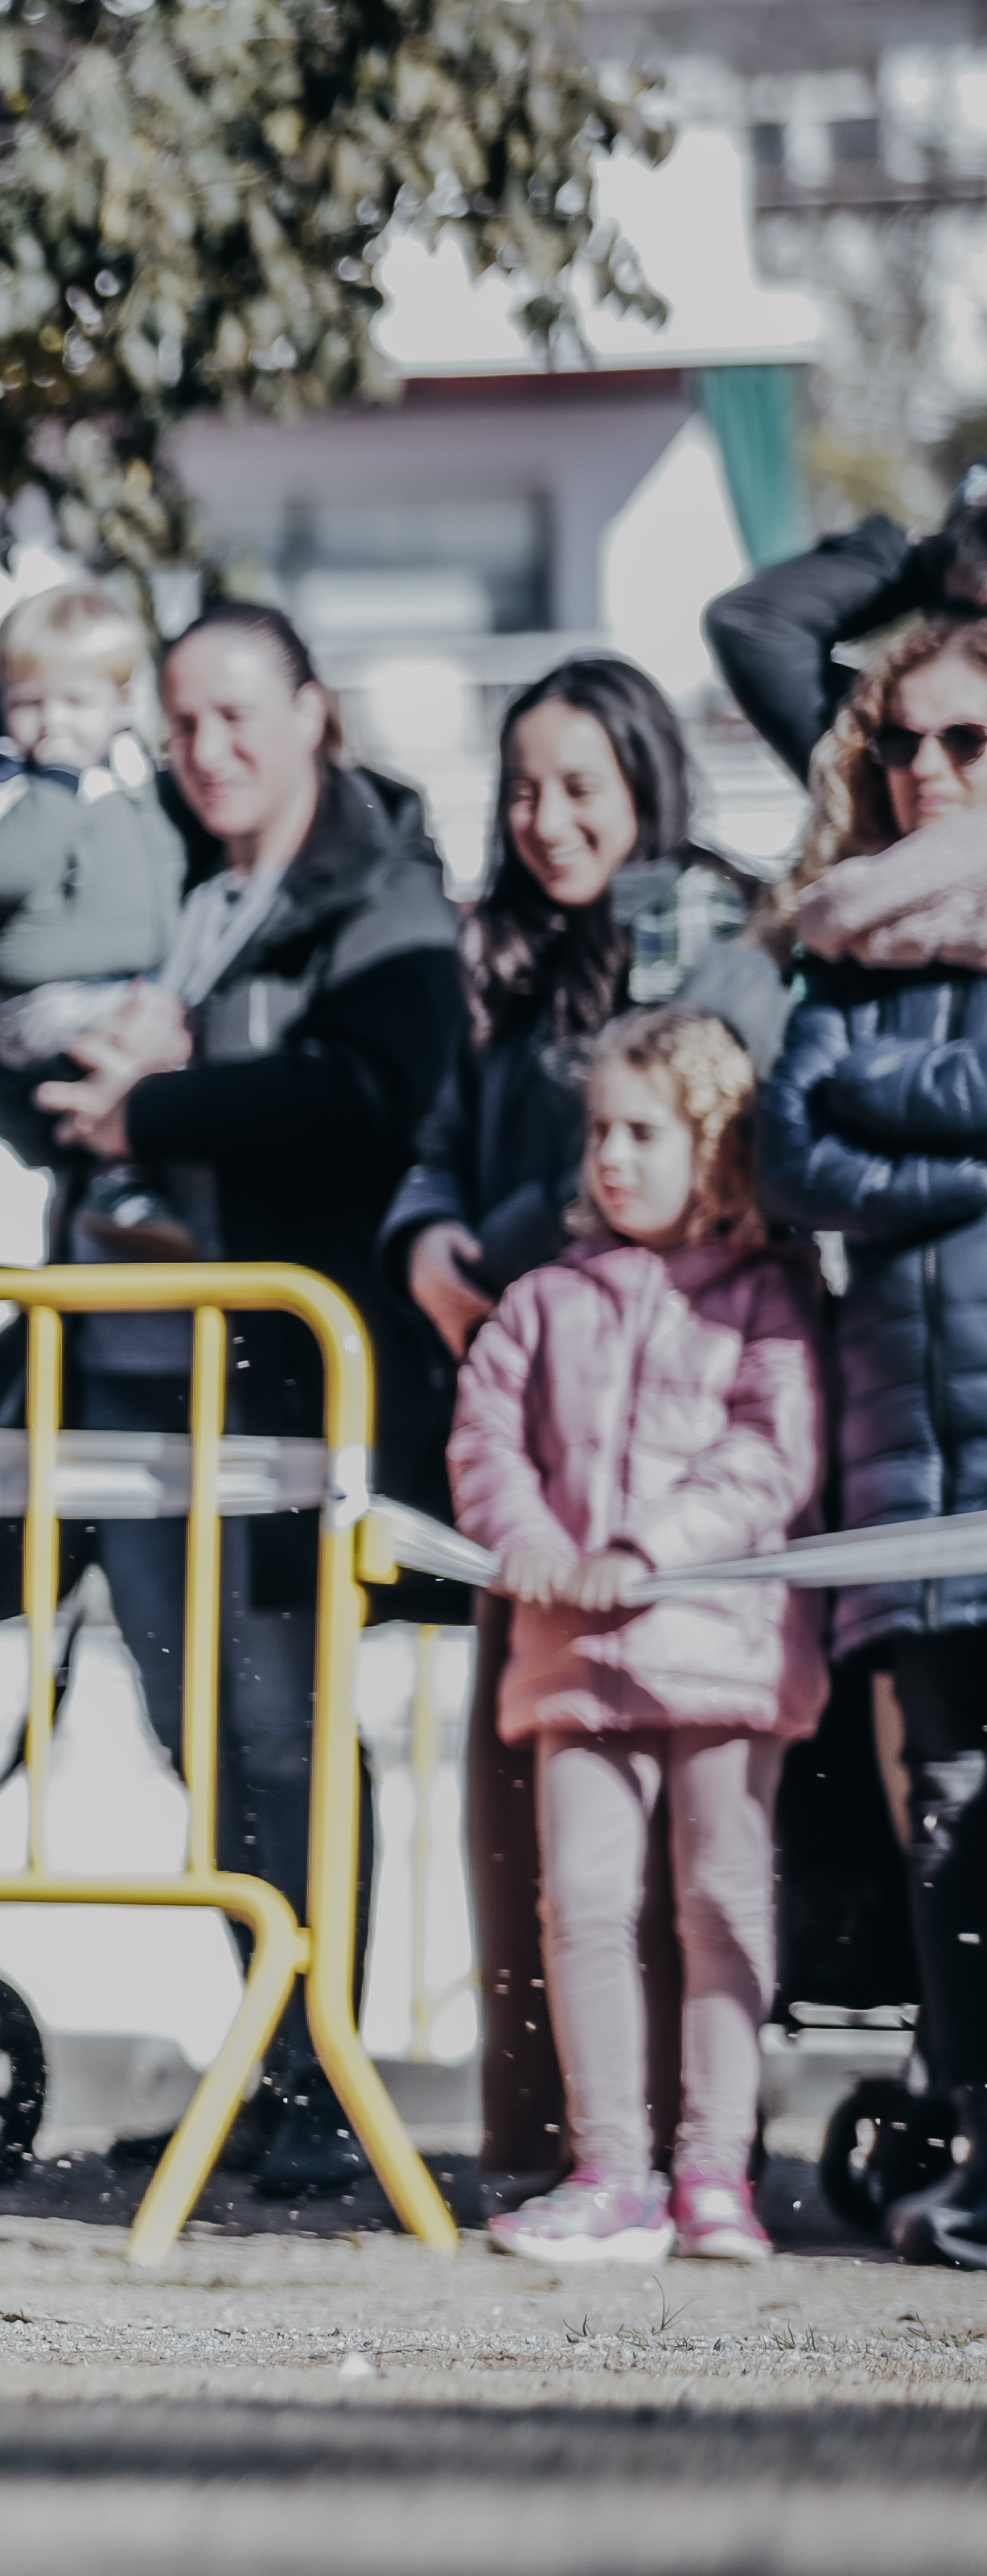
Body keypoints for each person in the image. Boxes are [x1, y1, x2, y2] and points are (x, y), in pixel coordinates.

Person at [32, 601, 468, 2197]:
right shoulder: (154, 873)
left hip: (286, 1372)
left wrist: (155, 1106)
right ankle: (270, 2065)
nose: (207, 749)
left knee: (284, 1730)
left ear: (312, 711)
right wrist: (68, 1070)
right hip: (130, 1370)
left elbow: (374, 1092)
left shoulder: (384, 888)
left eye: (237, 714)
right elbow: (31, 1052)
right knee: (195, 1735)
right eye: (183, 721)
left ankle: (321, 2077)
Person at [381, 654, 791, 2195]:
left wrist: (506, 1247)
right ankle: (550, 2150)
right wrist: (425, 1242)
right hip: (531, 1458)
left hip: (682, 1482)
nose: (546, 820)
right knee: (533, 1838)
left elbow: (686, 1151)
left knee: (697, 1855)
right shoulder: (497, 961)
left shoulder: (718, 939)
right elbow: (436, 1142)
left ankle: (700, 2162)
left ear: (646, 783)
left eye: (579, 788)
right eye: (523, 791)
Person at [446, 1009, 821, 2265]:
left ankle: (716, 2173)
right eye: (601, 1129)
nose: (611, 1156)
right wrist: (527, 1538)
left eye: (644, 1132)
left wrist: (648, 1548)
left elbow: (771, 1454)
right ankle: (611, 2171)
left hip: (723, 1655)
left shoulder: (772, 1301)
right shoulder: (542, 1302)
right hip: (578, 1662)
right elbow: (485, 1441)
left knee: (722, 1904)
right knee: (586, 1906)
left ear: (715, 1147)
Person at [755, 607, 987, 2266]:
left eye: (967, 740)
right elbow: (787, 1150)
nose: (927, 771)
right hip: (905, 1444)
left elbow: (856, 1121)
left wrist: (875, 1122)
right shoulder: (835, 940)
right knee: (948, 1810)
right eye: (901, 741)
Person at [0, 582, 195, 1255]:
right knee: (141, 1058)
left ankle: (123, 1191)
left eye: (76, 702)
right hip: (49, 1002)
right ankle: (120, 1186)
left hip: (129, 984)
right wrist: (55, 786)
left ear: (122, 705)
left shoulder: (130, 778)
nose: (53, 723)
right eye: (30, 704)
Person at [705, 471, 987, 775]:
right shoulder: (908, 757)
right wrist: (918, 563)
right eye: (964, 613)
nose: (978, 638)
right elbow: (751, 623)